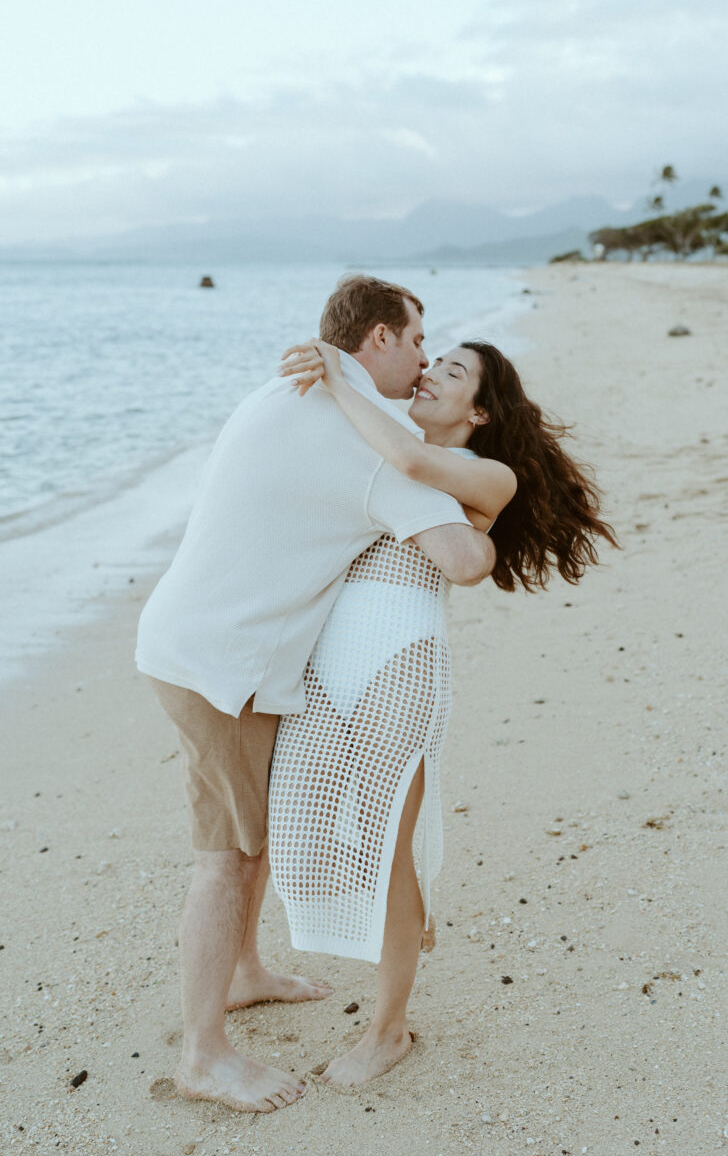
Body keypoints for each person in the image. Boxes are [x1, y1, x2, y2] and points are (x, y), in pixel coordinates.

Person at [134, 276, 496, 1114]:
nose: (423, 356)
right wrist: (477, 504)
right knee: (226, 859)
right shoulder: (366, 444)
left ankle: (247, 973)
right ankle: (202, 1053)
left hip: (213, 648)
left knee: (250, 837)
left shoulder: (287, 387)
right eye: (416, 339)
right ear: (376, 340)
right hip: (218, 665)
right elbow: (465, 561)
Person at [268, 337, 618, 1087]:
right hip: (328, 668)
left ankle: (388, 1031)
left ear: (481, 409)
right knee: (306, 822)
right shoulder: (377, 455)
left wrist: (337, 376)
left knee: (390, 846)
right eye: (432, 361)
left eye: (451, 372)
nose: (429, 373)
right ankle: (403, 927)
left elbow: (419, 464)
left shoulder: (487, 473)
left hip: (399, 664)